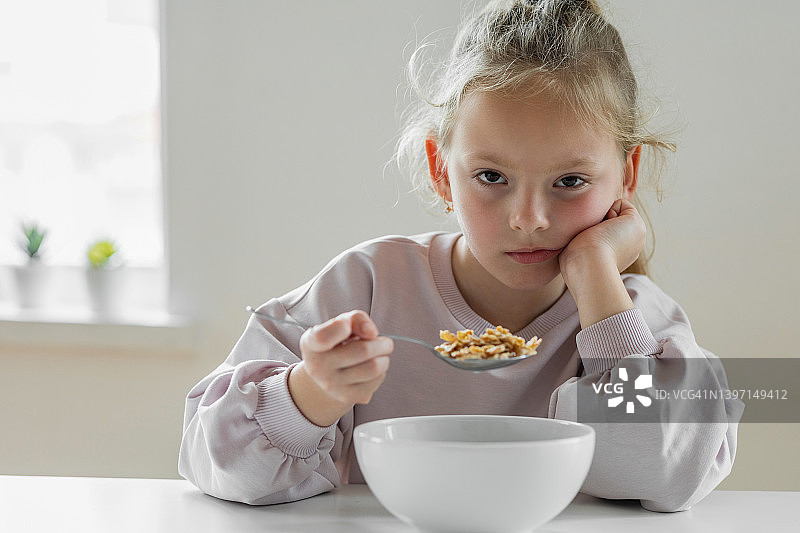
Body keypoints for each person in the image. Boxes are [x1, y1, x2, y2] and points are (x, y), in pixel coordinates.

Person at [179, 0, 743, 512]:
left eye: (570, 181)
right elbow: (216, 462)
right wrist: (308, 395)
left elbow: (662, 465)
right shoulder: (365, 288)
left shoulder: (632, 318)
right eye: (491, 176)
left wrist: (596, 272)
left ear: (628, 176)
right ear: (440, 171)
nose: (529, 218)